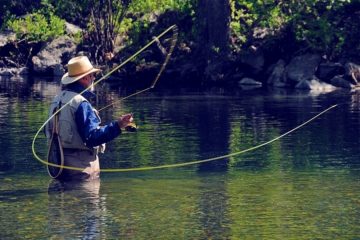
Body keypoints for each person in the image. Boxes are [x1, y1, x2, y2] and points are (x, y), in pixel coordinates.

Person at [46, 56, 133, 181]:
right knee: (85, 200)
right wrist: (118, 125)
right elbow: (93, 138)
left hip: (57, 164)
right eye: (92, 75)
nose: (94, 78)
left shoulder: (57, 99)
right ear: (85, 78)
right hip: (80, 169)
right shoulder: (80, 103)